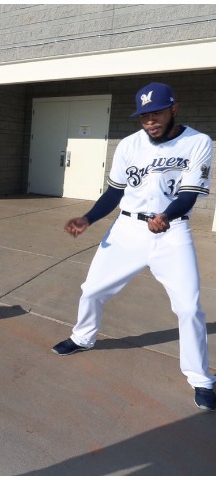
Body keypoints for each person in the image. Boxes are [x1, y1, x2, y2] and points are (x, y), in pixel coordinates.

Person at [51, 82, 215, 412]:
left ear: (173, 108)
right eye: (144, 115)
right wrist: (88, 218)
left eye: (156, 112)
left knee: (188, 307)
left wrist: (167, 215)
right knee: (92, 289)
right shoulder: (129, 145)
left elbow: (189, 194)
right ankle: (83, 337)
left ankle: (201, 378)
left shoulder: (199, 142)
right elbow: (114, 192)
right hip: (127, 229)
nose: (150, 120)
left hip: (172, 233)